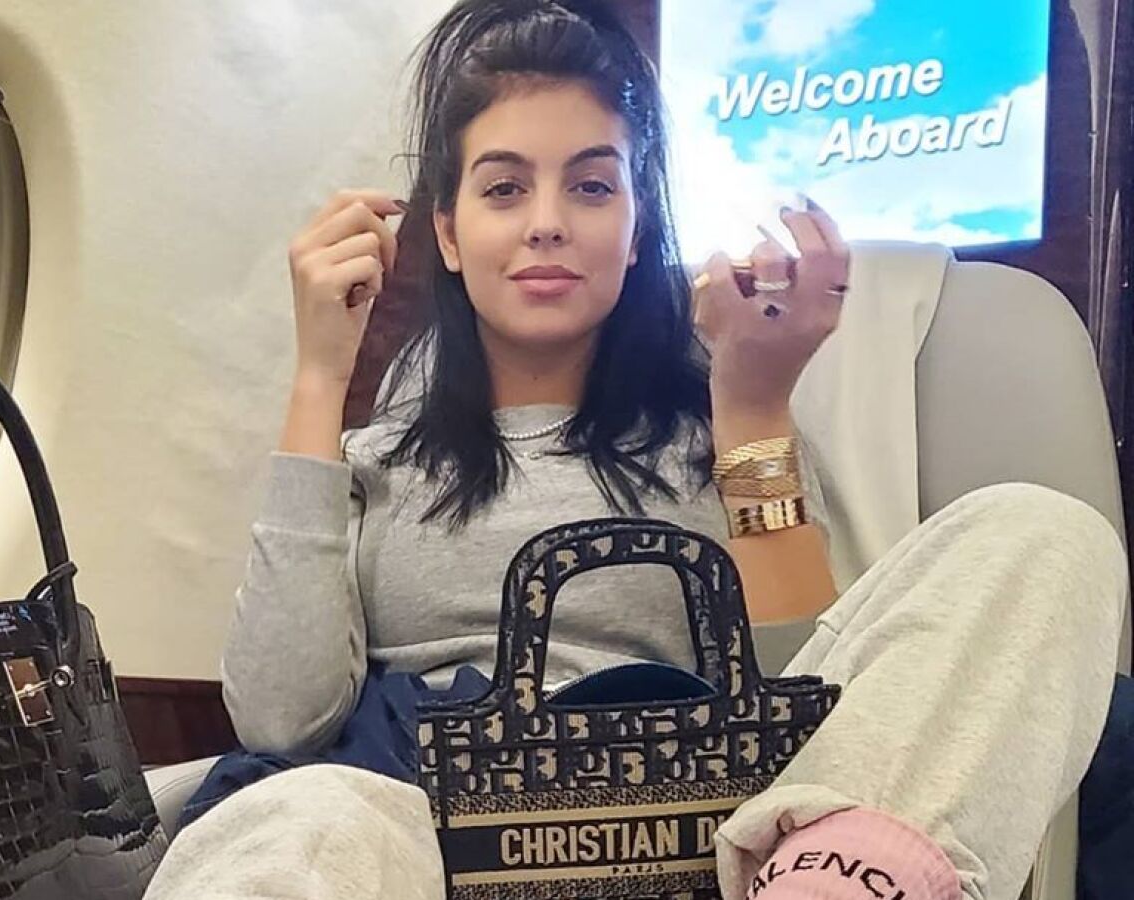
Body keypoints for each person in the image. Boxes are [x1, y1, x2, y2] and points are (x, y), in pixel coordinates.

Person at [145, 2, 1126, 898]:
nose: (546, 224)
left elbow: (803, 700)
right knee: (300, 816)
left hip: (709, 832)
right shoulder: (375, 460)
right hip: (430, 833)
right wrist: (319, 375)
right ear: (446, 233)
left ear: (635, 221)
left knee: (1043, 535)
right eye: (503, 188)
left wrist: (751, 408)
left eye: (589, 185)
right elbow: (284, 719)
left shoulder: (719, 426)